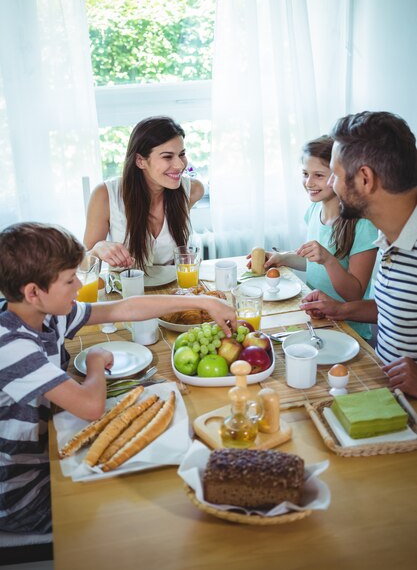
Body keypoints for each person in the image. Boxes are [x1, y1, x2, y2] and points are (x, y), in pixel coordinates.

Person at [0, 222, 236, 535]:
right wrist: (96, 362)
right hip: (24, 490)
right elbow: (90, 407)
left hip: (50, 449)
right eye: (71, 280)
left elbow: (123, 308)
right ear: (33, 292)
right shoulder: (11, 345)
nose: (81, 285)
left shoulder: (46, 313)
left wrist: (202, 301)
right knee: (150, 512)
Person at [300, 111, 417, 398]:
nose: (330, 185)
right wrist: (341, 310)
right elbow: (397, 310)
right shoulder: (390, 235)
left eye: (335, 175)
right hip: (386, 393)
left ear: (365, 178)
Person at [252, 136, 378, 339]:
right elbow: (314, 261)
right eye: (305, 174)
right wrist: (282, 257)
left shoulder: (363, 224)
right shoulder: (314, 210)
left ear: (340, 175)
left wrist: (328, 260)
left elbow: (354, 294)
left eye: (319, 175)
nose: (309, 183)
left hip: (348, 331)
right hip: (316, 319)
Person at [84, 116, 204, 270]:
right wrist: (96, 250)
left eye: (181, 154)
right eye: (167, 156)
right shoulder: (105, 195)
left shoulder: (192, 190)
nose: (180, 165)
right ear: (140, 161)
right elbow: (82, 267)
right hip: (126, 291)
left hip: (174, 290)